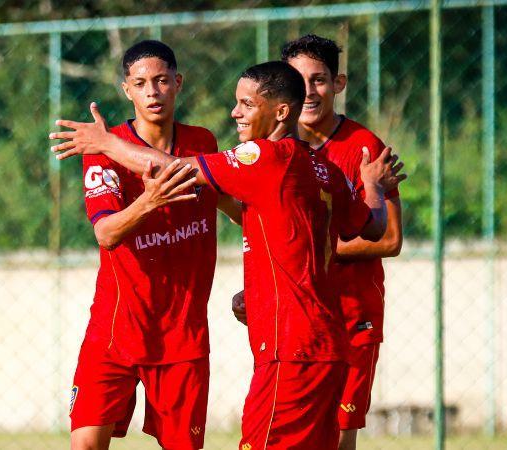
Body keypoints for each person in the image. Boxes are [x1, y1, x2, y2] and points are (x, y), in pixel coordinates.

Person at [51, 61, 406, 449]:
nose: (235, 112)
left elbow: (172, 169)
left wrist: (105, 143)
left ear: (281, 112)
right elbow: (371, 225)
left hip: (289, 348)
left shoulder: (265, 158)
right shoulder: (323, 167)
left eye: (246, 104)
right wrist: (371, 185)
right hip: (327, 346)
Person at [68, 40, 239, 450]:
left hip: (182, 335)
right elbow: (106, 234)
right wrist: (149, 202)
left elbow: (239, 208)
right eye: (141, 83)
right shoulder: (102, 152)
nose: (152, 91)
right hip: (116, 329)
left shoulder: (202, 143)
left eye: (161, 80)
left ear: (177, 83)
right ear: (126, 90)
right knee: (86, 444)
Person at [282, 34, 405, 450]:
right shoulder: (275, 149)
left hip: (353, 315)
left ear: (339, 83)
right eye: (299, 81)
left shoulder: (365, 147)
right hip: (294, 319)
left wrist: (317, 251)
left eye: (319, 80)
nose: (309, 91)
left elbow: (389, 238)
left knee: (338, 438)